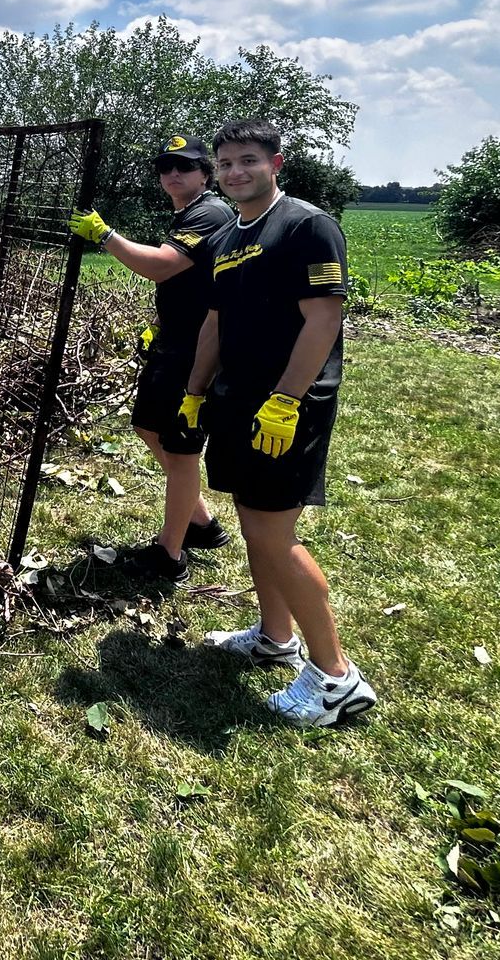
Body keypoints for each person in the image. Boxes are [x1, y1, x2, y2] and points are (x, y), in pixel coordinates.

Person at [183, 119, 376, 727]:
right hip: (236, 399)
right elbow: (214, 323)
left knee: (274, 534)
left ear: (276, 163)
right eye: (226, 164)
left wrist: (288, 399)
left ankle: (336, 679)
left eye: (248, 160)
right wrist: (193, 392)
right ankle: (274, 637)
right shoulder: (225, 235)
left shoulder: (306, 226)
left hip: (288, 406)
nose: (236, 172)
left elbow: (323, 319)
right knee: (252, 521)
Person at [69, 135, 236, 585]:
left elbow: (162, 265)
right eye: (166, 167)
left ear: (206, 173)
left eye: (184, 166)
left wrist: (105, 234)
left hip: (196, 350)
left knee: (180, 451)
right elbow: (188, 281)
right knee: (148, 426)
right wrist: (162, 322)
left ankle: (170, 555)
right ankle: (201, 523)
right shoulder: (188, 212)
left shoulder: (210, 212)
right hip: (176, 340)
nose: (173, 174)